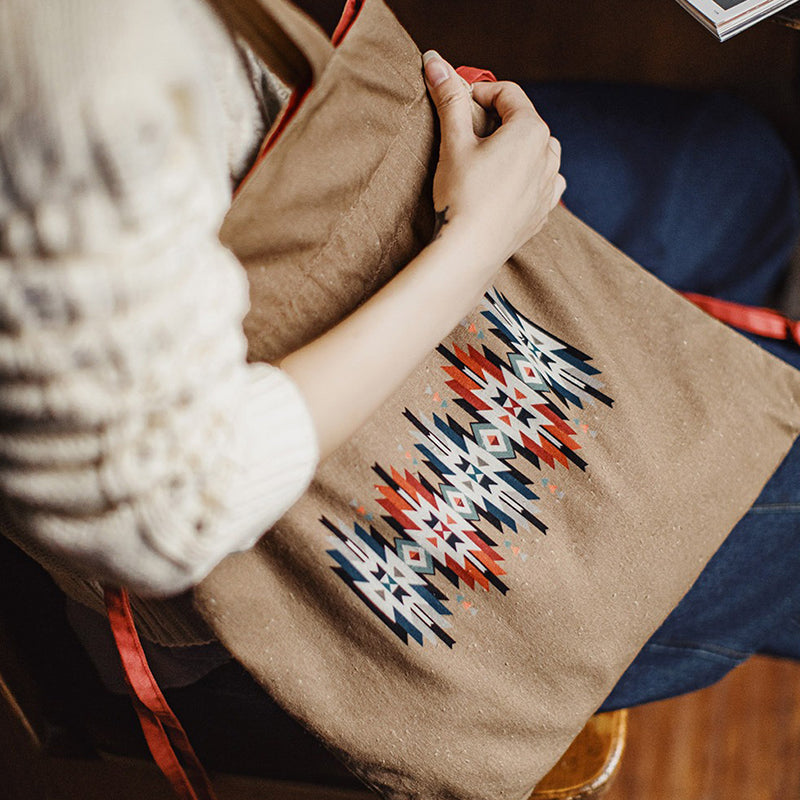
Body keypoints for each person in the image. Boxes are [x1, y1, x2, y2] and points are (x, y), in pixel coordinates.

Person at [1, 0, 798, 784]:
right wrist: (478, 241)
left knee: (742, 170)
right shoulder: (56, 74)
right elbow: (162, 505)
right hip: (260, 529)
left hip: (341, 192)